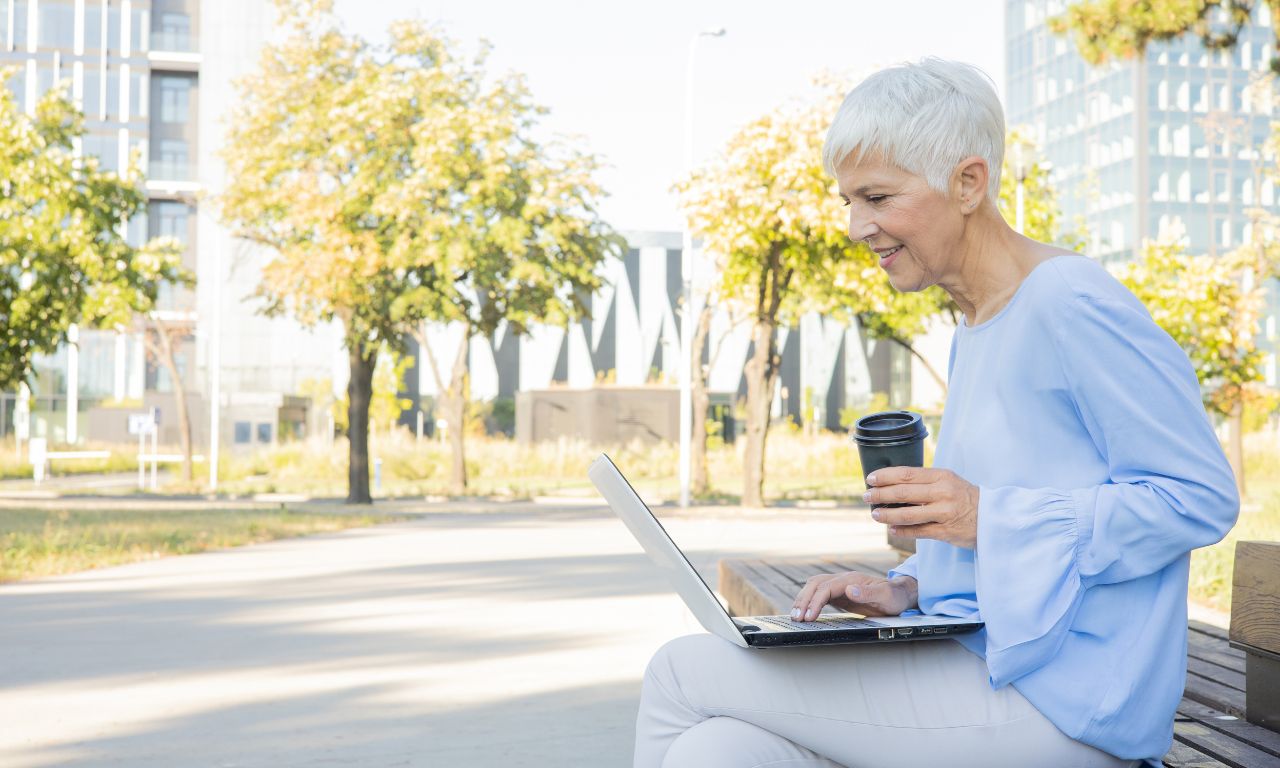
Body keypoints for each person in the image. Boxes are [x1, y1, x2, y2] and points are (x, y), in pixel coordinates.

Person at [633, 58, 1239, 768]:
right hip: (986, 659)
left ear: (968, 183)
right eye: (850, 201)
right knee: (719, 748)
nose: (858, 226)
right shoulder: (977, 322)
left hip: (1068, 700)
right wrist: (907, 587)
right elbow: (1025, 510)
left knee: (680, 673)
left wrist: (987, 515)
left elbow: (1199, 499)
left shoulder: (1072, 302)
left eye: (878, 196)